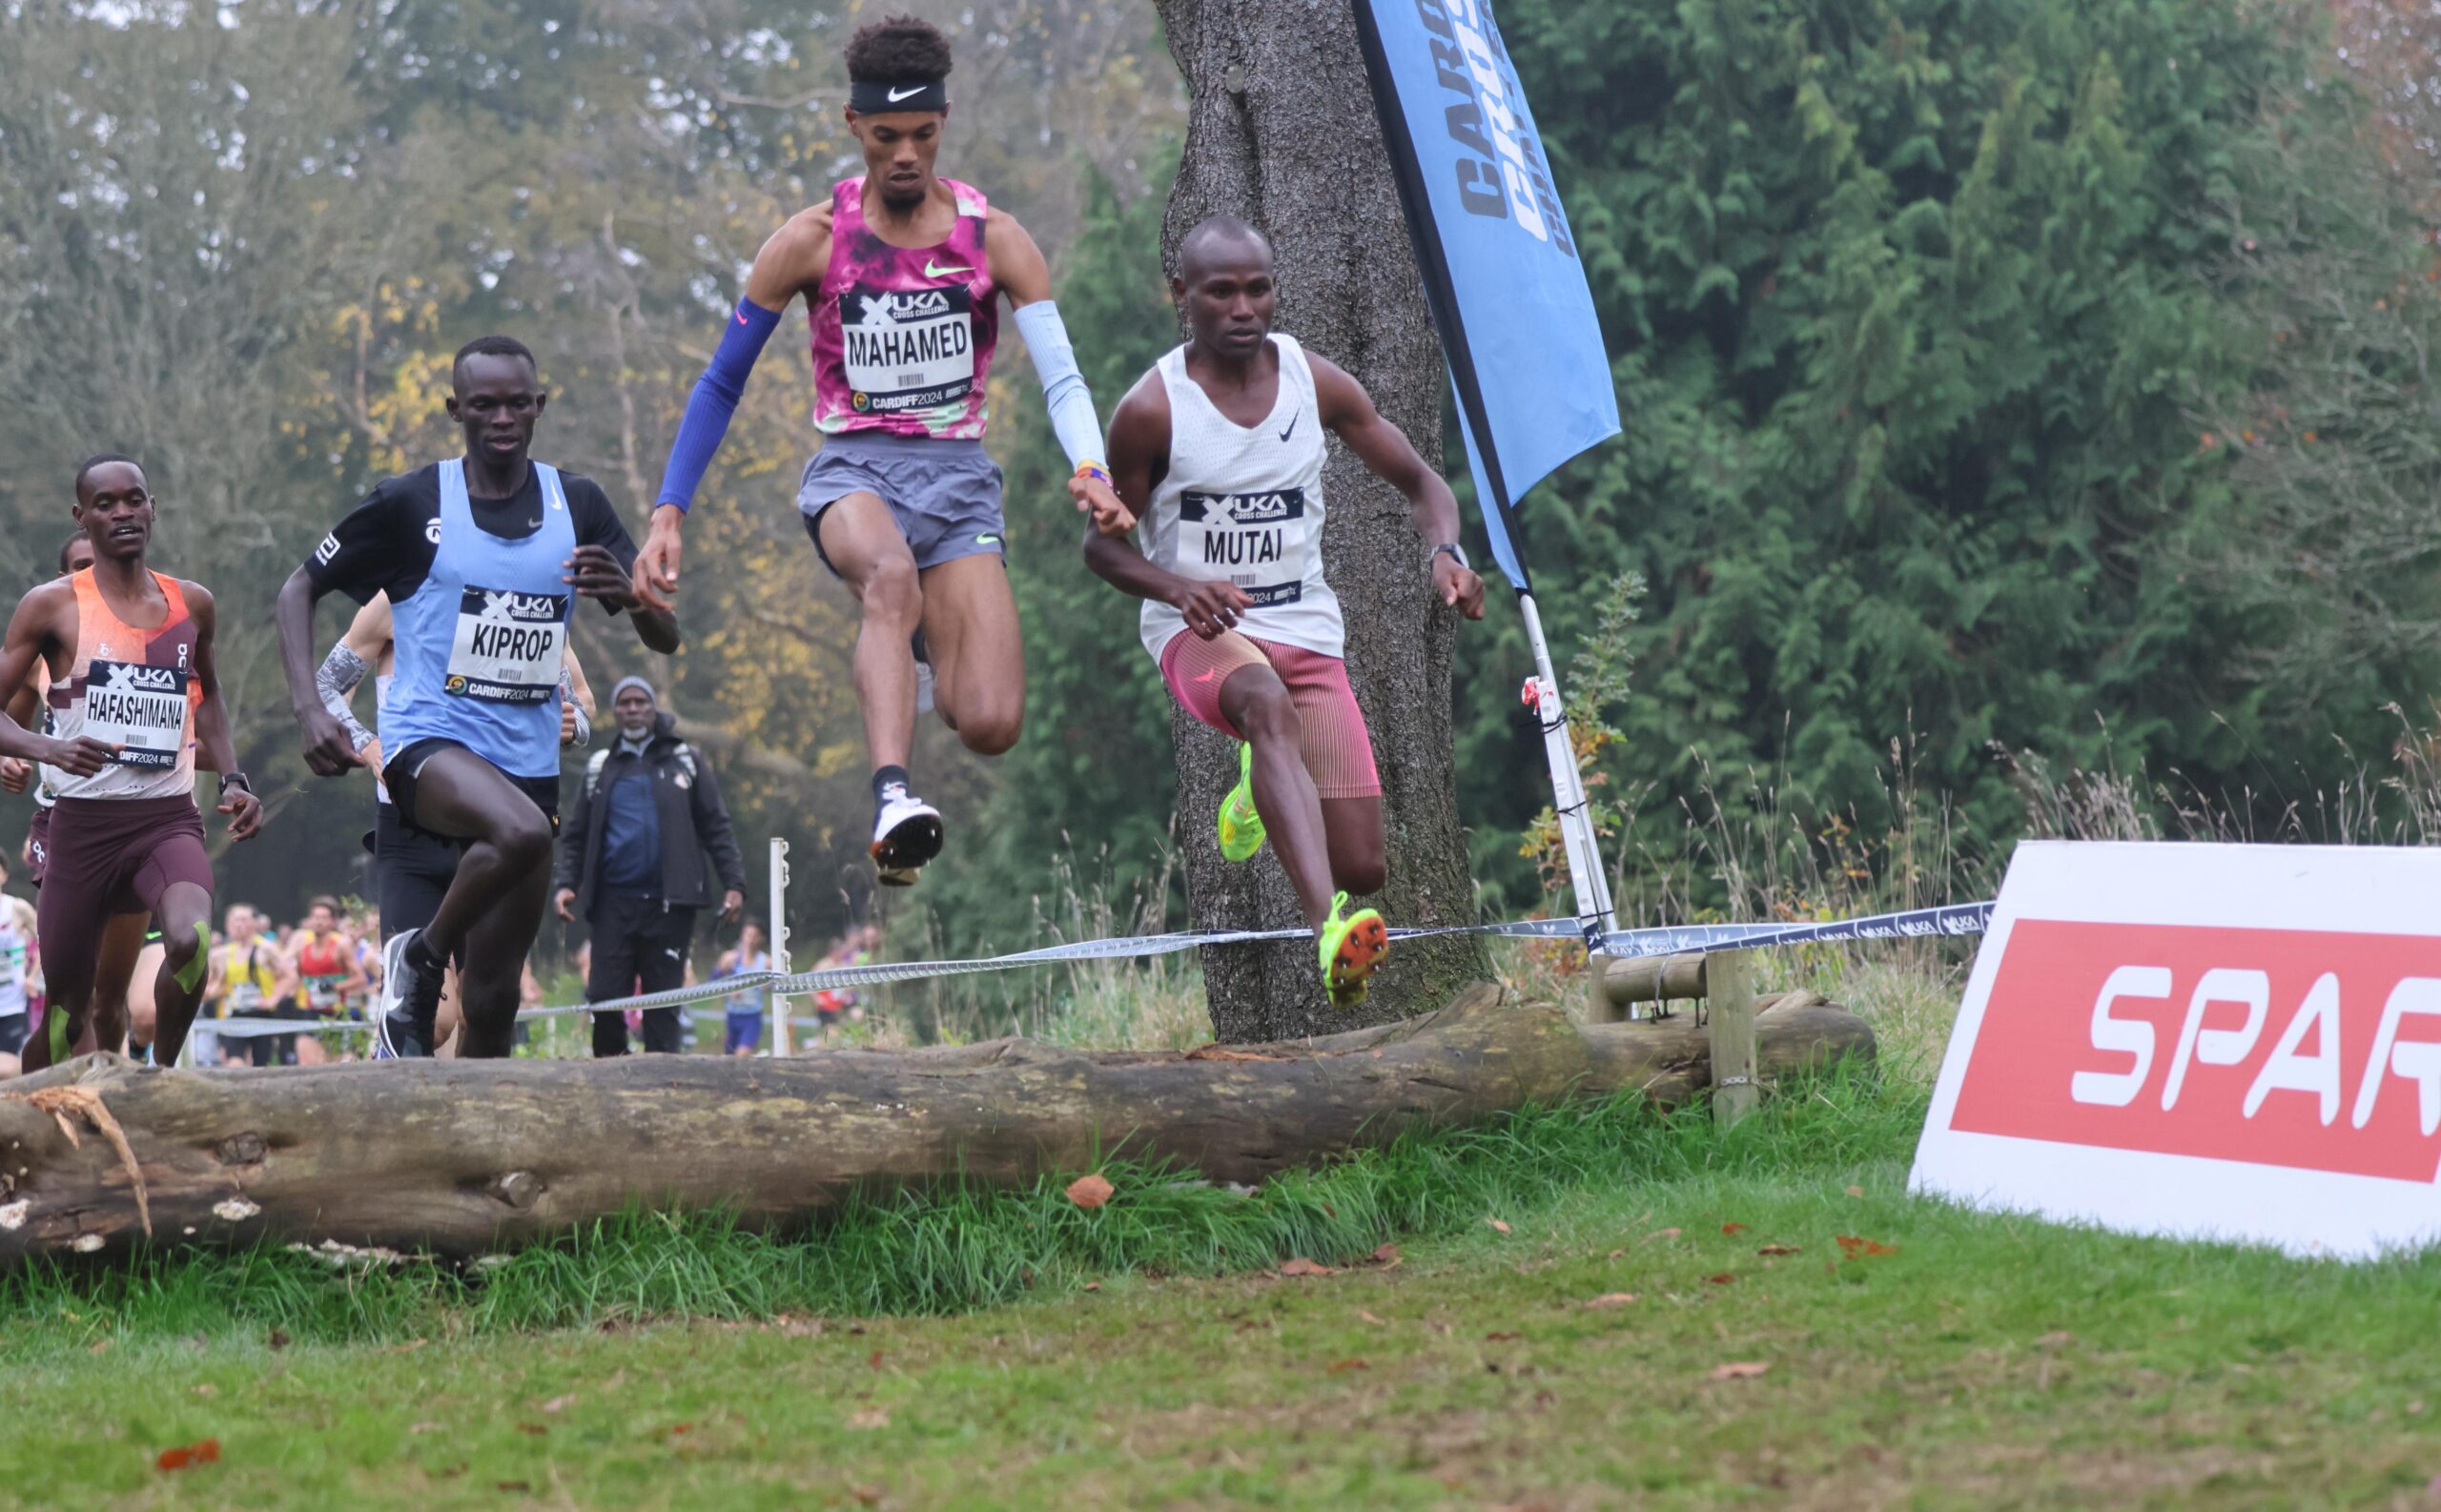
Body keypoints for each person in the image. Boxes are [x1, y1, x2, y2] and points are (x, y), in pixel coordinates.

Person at [634, 13, 1133, 889]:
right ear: (853, 126)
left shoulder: (996, 238)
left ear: (943, 125)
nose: (906, 155)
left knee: (990, 722)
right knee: (889, 578)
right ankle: (894, 796)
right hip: (853, 471)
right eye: (886, 136)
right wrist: (669, 509)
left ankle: (920, 659)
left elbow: (1063, 379)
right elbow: (720, 383)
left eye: (924, 135)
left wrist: (1091, 466)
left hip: (960, 485)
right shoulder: (809, 242)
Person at [1085, 217, 1488, 1007]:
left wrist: (1447, 552)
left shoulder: (1317, 383)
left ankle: (1257, 788)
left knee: (1364, 863)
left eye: (1258, 289)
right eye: (1221, 292)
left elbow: (1420, 483)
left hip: (1304, 625)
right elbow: (1101, 550)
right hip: (1199, 633)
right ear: (1183, 296)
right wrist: (1179, 589)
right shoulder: (1153, 408)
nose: (1243, 308)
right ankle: (1326, 931)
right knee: (1264, 704)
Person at [276, 336, 679, 1059]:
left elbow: (666, 638)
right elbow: (298, 587)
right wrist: (309, 707)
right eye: (484, 404)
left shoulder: (577, 502)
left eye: (517, 403)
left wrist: (635, 600)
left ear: (539, 407)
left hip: (526, 764)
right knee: (522, 833)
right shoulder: (412, 501)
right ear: (455, 409)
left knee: (492, 1009)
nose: (502, 418)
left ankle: (475, 1163)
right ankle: (422, 962)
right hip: (428, 751)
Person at [0, 455, 264, 1070]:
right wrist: (49, 748)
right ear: (81, 516)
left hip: (164, 819)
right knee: (70, 1014)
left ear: (153, 509)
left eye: (134, 500)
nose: (123, 512)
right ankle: (39, 1129)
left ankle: (162, 1083)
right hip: (81, 827)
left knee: (192, 939)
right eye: (105, 503)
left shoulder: (192, 604)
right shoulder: (51, 606)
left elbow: (211, 697)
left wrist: (233, 777)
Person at [314, 590, 595, 1055]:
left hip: (499, 831)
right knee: (435, 1020)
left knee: (484, 1012)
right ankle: (386, 1079)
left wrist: (575, 724)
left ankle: (470, 1121)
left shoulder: (524, 600)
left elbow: (581, 698)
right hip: (411, 829)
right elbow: (326, 685)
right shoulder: (401, 596)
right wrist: (366, 745)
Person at [554, 676, 747, 1055]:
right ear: (615, 712)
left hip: (670, 905)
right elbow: (575, 836)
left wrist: (735, 884)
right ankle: (610, 1077)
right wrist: (564, 884)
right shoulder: (600, 767)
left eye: (640, 701)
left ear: (653, 707)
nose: (633, 709)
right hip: (612, 905)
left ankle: (664, 1089)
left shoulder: (687, 761)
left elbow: (716, 826)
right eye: (624, 703)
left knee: (663, 1003)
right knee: (605, 997)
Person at [205, 903, 290, 1067]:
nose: (238, 924)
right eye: (234, 920)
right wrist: (207, 993)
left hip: (262, 1014)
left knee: (259, 1064)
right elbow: (215, 985)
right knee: (233, 1061)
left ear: (254, 923)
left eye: (243, 920)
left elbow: (289, 976)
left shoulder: (266, 948)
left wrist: (273, 998)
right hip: (233, 1014)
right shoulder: (220, 954)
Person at [286, 894, 365, 1064]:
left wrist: (336, 986)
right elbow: (298, 976)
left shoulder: (340, 946)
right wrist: (293, 990)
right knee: (306, 1062)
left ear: (333, 921)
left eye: (323, 918)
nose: (318, 922)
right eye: (315, 917)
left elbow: (360, 978)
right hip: (310, 1011)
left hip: (335, 1013)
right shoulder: (303, 949)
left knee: (330, 1065)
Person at [713, 919, 772, 1056]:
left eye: (754, 935)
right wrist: (724, 976)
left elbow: (778, 986)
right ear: (742, 935)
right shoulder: (730, 958)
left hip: (752, 1016)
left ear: (761, 938)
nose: (750, 939)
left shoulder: (766, 962)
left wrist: (768, 985)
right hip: (732, 1015)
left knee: (742, 1055)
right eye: (747, 934)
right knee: (729, 1058)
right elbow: (712, 982)